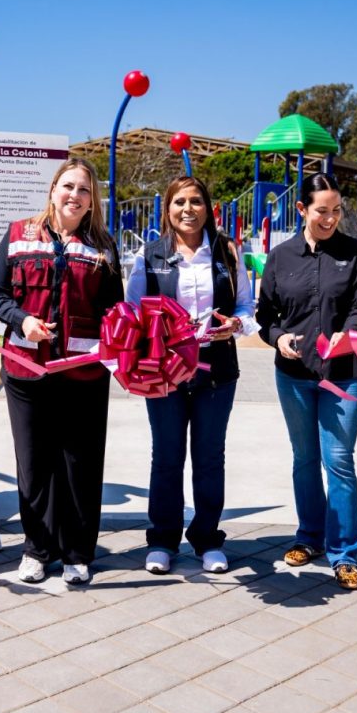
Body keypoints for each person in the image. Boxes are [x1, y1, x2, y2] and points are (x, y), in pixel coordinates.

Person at [0, 158, 122, 585]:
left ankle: (79, 552)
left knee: (79, 464)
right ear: (52, 190)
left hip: (83, 372)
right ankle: (36, 550)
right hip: (27, 370)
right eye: (68, 186)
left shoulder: (104, 245)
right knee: (34, 463)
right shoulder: (18, 234)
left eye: (84, 190)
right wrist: (22, 320)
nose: (74, 196)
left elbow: (115, 311)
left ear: (92, 200)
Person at [125, 177, 257, 575]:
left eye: (196, 201)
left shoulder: (227, 253)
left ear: (207, 206)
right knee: (166, 456)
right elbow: (131, 313)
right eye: (179, 201)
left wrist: (234, 323)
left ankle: (206, 538)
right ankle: (163, 539)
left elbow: (248, 309)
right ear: (167, 209)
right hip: (164, 372)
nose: (188, 209)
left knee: (209, 457)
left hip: (216, 371)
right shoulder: (149, 256)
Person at [256, 172, 357, 591]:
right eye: (321, 211)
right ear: (302, 209)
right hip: (293, 376)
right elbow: (264, 316)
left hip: (344, 375)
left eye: (336, 211)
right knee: (304, 458)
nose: (329, 219)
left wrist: (352, 328)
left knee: (339, 461)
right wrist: (279, 338)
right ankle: (309, 537)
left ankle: (344, 552)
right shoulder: (281, 256)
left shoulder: (356, 252)